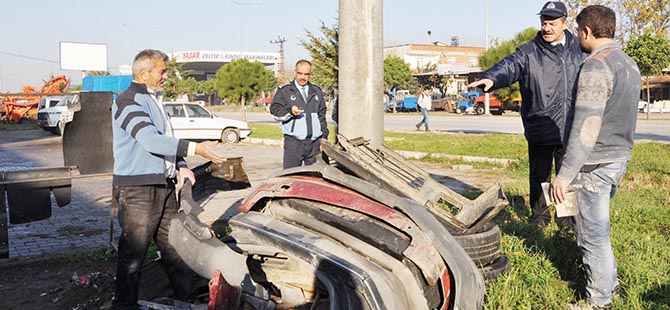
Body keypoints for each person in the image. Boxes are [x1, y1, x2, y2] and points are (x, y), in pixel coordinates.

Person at [111, 49, 227, 309]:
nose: (167, 76)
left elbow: (164, 141)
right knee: (133, 254)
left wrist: (182, 165)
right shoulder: (128, 101)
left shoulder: (154, 99)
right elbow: (150, 139)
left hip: (162, 185)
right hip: (138, 189)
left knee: (175, 246)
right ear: (143, 74)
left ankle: (185, 299)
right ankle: (124, 305)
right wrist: (196, 148)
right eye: (162, 71)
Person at [551, 5, 640, 309]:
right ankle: (608, 285)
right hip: (617, 159)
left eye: (578, 31)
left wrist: (564, 175)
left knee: (593, 236)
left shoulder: (596, 65)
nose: (577, 36)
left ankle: (599, 302)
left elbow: (587, 127)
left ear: (586, 31)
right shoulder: (628, 63)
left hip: (595, 164)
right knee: (595, 230)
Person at [467, 1, 586, 225]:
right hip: (540, 126)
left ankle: (567, 221)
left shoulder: (579, 49)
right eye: (543, 22)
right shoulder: (529, 52)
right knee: (539, 177)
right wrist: (492, 77)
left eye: (552, 23)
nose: (547, 28)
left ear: (564, 23)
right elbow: (509, 66)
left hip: (571, 128)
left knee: (567, 177)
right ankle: (540, 217)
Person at [270, 60, 329, 169]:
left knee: (318, 179)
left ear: (310, 74)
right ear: (295, 72)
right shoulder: (285, 90)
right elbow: (275, 111)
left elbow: (322, 116)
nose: (303, 77)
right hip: (294, 143)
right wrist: (290, 111)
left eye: (306, 74)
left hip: (314, 144)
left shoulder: (316, 91)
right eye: (300, 73)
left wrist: (324, 136)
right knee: (291, 178)